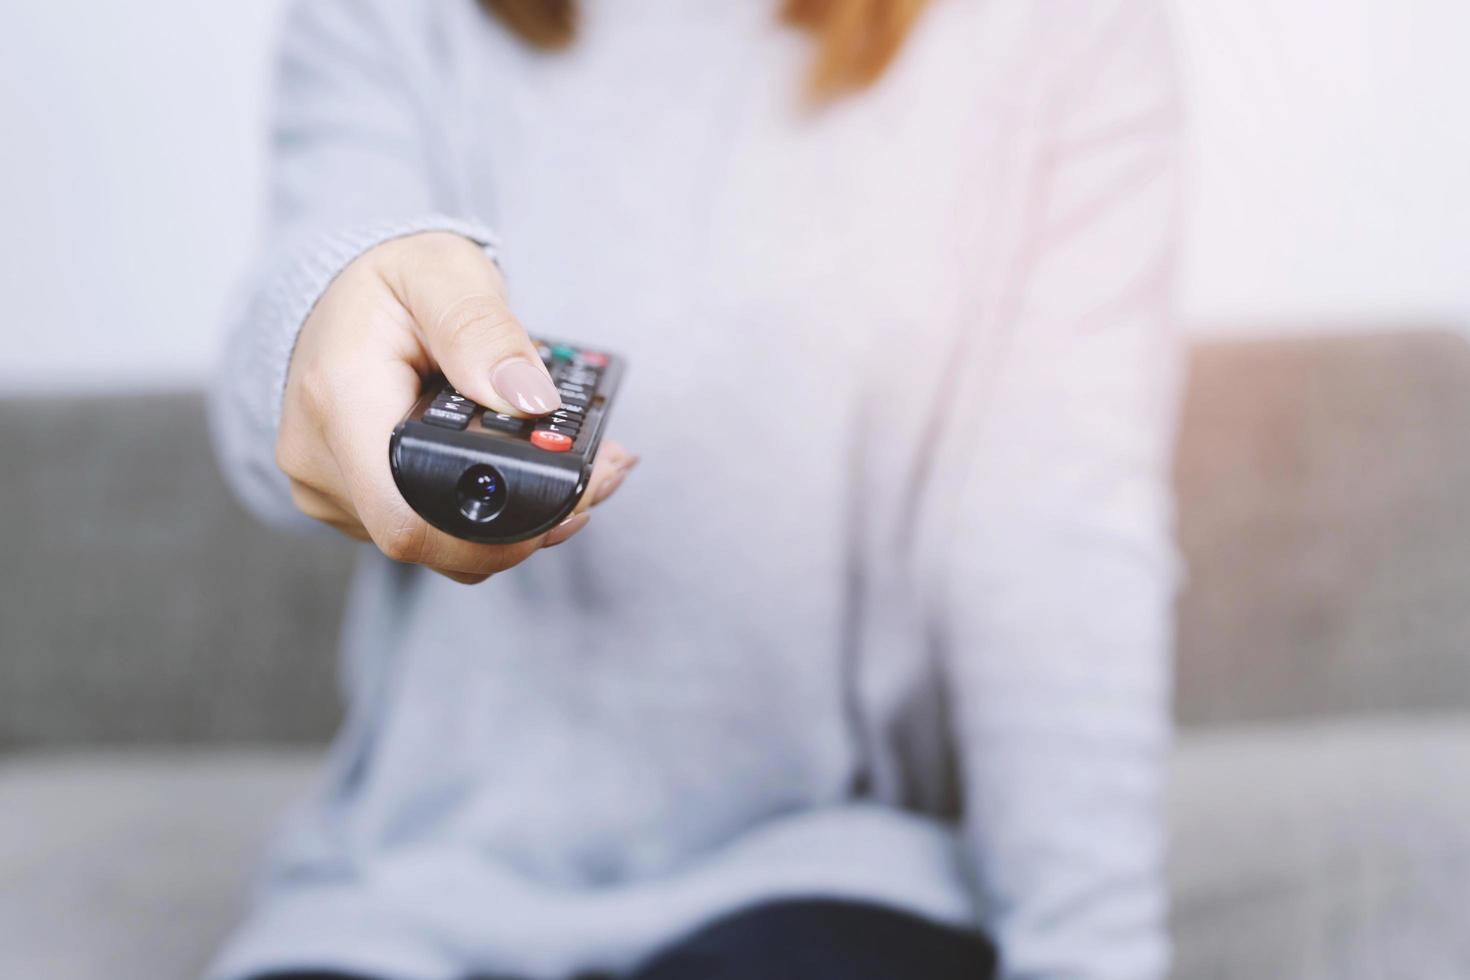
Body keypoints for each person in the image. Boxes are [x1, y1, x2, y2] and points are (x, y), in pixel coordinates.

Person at [208, 1, 1185, 978]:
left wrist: (1090, 955)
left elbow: (1053, 543)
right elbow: (293, 359)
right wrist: (320, 337)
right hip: (405, 896)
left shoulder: (1060, 30)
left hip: (827, 871)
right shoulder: (389, 19)